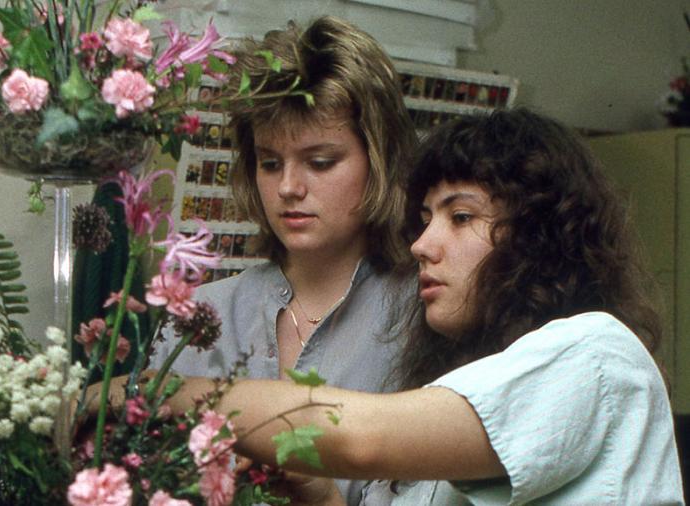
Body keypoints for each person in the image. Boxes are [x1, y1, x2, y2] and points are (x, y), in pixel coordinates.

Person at [151, 109, 683, 504]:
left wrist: (151, 393)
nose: (422, 245)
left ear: (540, 235)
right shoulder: (458, 394)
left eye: (460, 217)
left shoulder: (595, 355)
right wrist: (319, 495)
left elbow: (361, 441)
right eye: (426, 219)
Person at [148, 15, 418, 504]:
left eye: (320, 162)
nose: (289, 188)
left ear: (380, 161)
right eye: (270, 163)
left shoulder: (423, 317)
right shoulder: (198, 313)